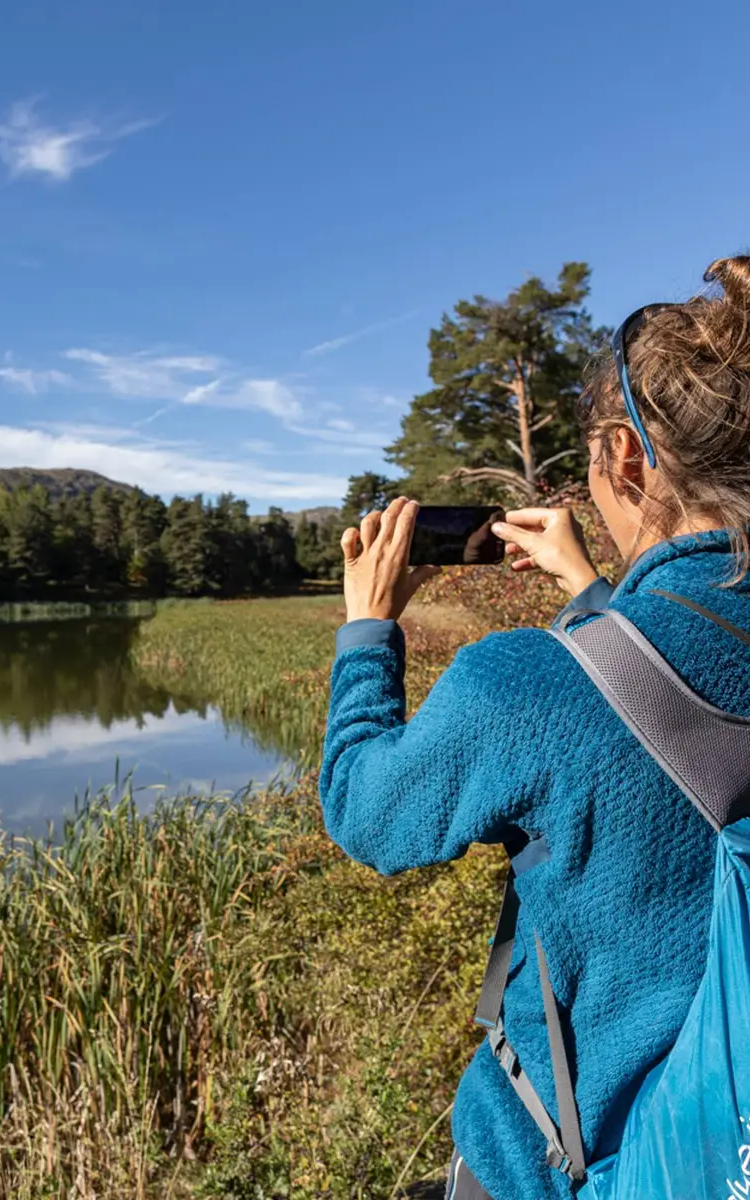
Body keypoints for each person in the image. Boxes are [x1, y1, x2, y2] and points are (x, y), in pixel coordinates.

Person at [319, 254, 750, 1200]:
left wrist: (367, 633)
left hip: (564, 1169)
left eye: (594, 455)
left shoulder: (521, 686)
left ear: (628, 461)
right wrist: (599, 592)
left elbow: (366, 812)